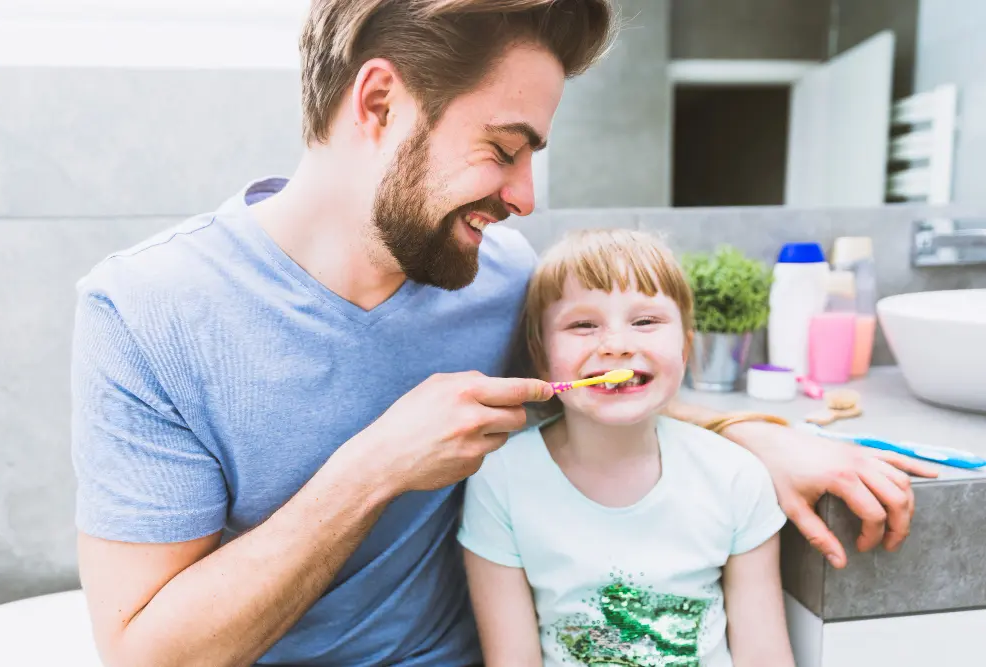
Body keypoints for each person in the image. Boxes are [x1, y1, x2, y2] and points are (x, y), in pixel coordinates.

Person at [70, 2, 936, 666]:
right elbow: (149, 650)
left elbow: (604, 388)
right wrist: (375, 467)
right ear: (379, 101)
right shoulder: (149, 311)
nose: (525, 195)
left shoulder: (506, 275)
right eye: (503, 148)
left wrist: (752, 437)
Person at [459, 228, 795, 667]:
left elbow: (765, 656)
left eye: (645, 321)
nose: (616, 346)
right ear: (541, 359)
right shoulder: (500, 479)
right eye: (583, 325)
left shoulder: (736, 476)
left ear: (685, 348)